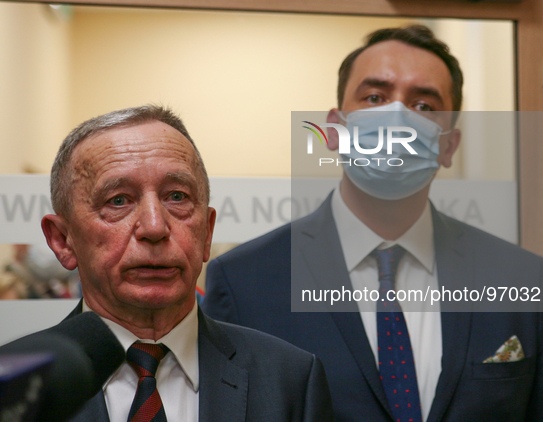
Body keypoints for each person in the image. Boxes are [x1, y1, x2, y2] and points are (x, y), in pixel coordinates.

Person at [203, 26, 543, 421]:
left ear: (448, 146)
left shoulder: (517, 276)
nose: (395, 119)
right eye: (374, 98)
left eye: (423, 105)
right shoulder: (244, 282)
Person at [39, 105, 334, 421]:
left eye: (177, 197)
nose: (154, 227)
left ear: (207, 232)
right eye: (119, 201)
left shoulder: (290, 380)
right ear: (62, 240)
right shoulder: (17, 389)